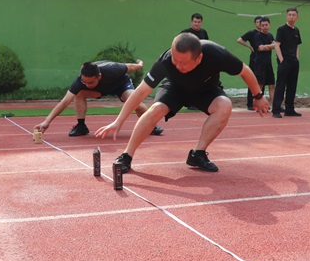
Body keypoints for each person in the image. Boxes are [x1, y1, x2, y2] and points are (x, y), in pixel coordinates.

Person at [95, 33, 269, 174]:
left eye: (183, 63)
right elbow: (140, 92)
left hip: (206, 89)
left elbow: (244, 71)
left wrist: (258, 96)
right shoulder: (166, 60)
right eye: (175, 60)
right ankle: (127, 156)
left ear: (199, 58)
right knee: (156, 109)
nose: (177, 65)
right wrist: (119, 120)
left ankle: (197, 154)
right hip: (174, 88)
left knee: (224, 105)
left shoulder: (216, 54)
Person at [34, 60, 164, 137]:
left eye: (90, 82)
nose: (86, 85)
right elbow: (64, 102)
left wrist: (140, 65)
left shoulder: (113, 69)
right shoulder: (81, 81)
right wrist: (47, 121)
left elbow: (130, 67)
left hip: (120, 85)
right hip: (100, 90)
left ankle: (151, 126)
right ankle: (81, 126)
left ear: (99, 76)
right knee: (79, 93)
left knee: (138, 105)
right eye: (85, 82)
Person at [271, 7, 302, 118]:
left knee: (292, 86)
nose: (291, 16)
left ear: (297, 17)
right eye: (289, 14)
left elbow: (297, 45)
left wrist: (297, 58)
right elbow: (276, 45)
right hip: (284, 62)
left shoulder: (296, 30)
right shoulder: (281, 29)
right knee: (280, 86)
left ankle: (289, 109)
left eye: (293, 15)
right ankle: (276, 110)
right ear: (286, 16)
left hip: (294, 62)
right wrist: (281, 60)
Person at [237, 16, 262, 110]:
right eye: (258, 22)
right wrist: (249, 47)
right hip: (254, 59)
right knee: (252, 80)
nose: (259, 24)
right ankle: (250, 103)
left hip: (262, 60)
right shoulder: (252, 33)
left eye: (261, 22)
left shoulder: (264, 33)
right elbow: (239, 40)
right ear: (255, 23)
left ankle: (259, 102)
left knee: (261, 81)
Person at [253, 17, 276, 102]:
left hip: (268, 64)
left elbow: (275, 45)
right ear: (260, 26)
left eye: (266, 25)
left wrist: (267, 46)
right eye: (262, 25)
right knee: (260, 85)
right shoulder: (258, 35)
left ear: (270, 25)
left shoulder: (270, 35)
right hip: (260, 64)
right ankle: (257, 104)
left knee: (272, 85)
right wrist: (270, 46)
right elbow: (261, 48)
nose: (264, 27)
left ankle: (275, 106)